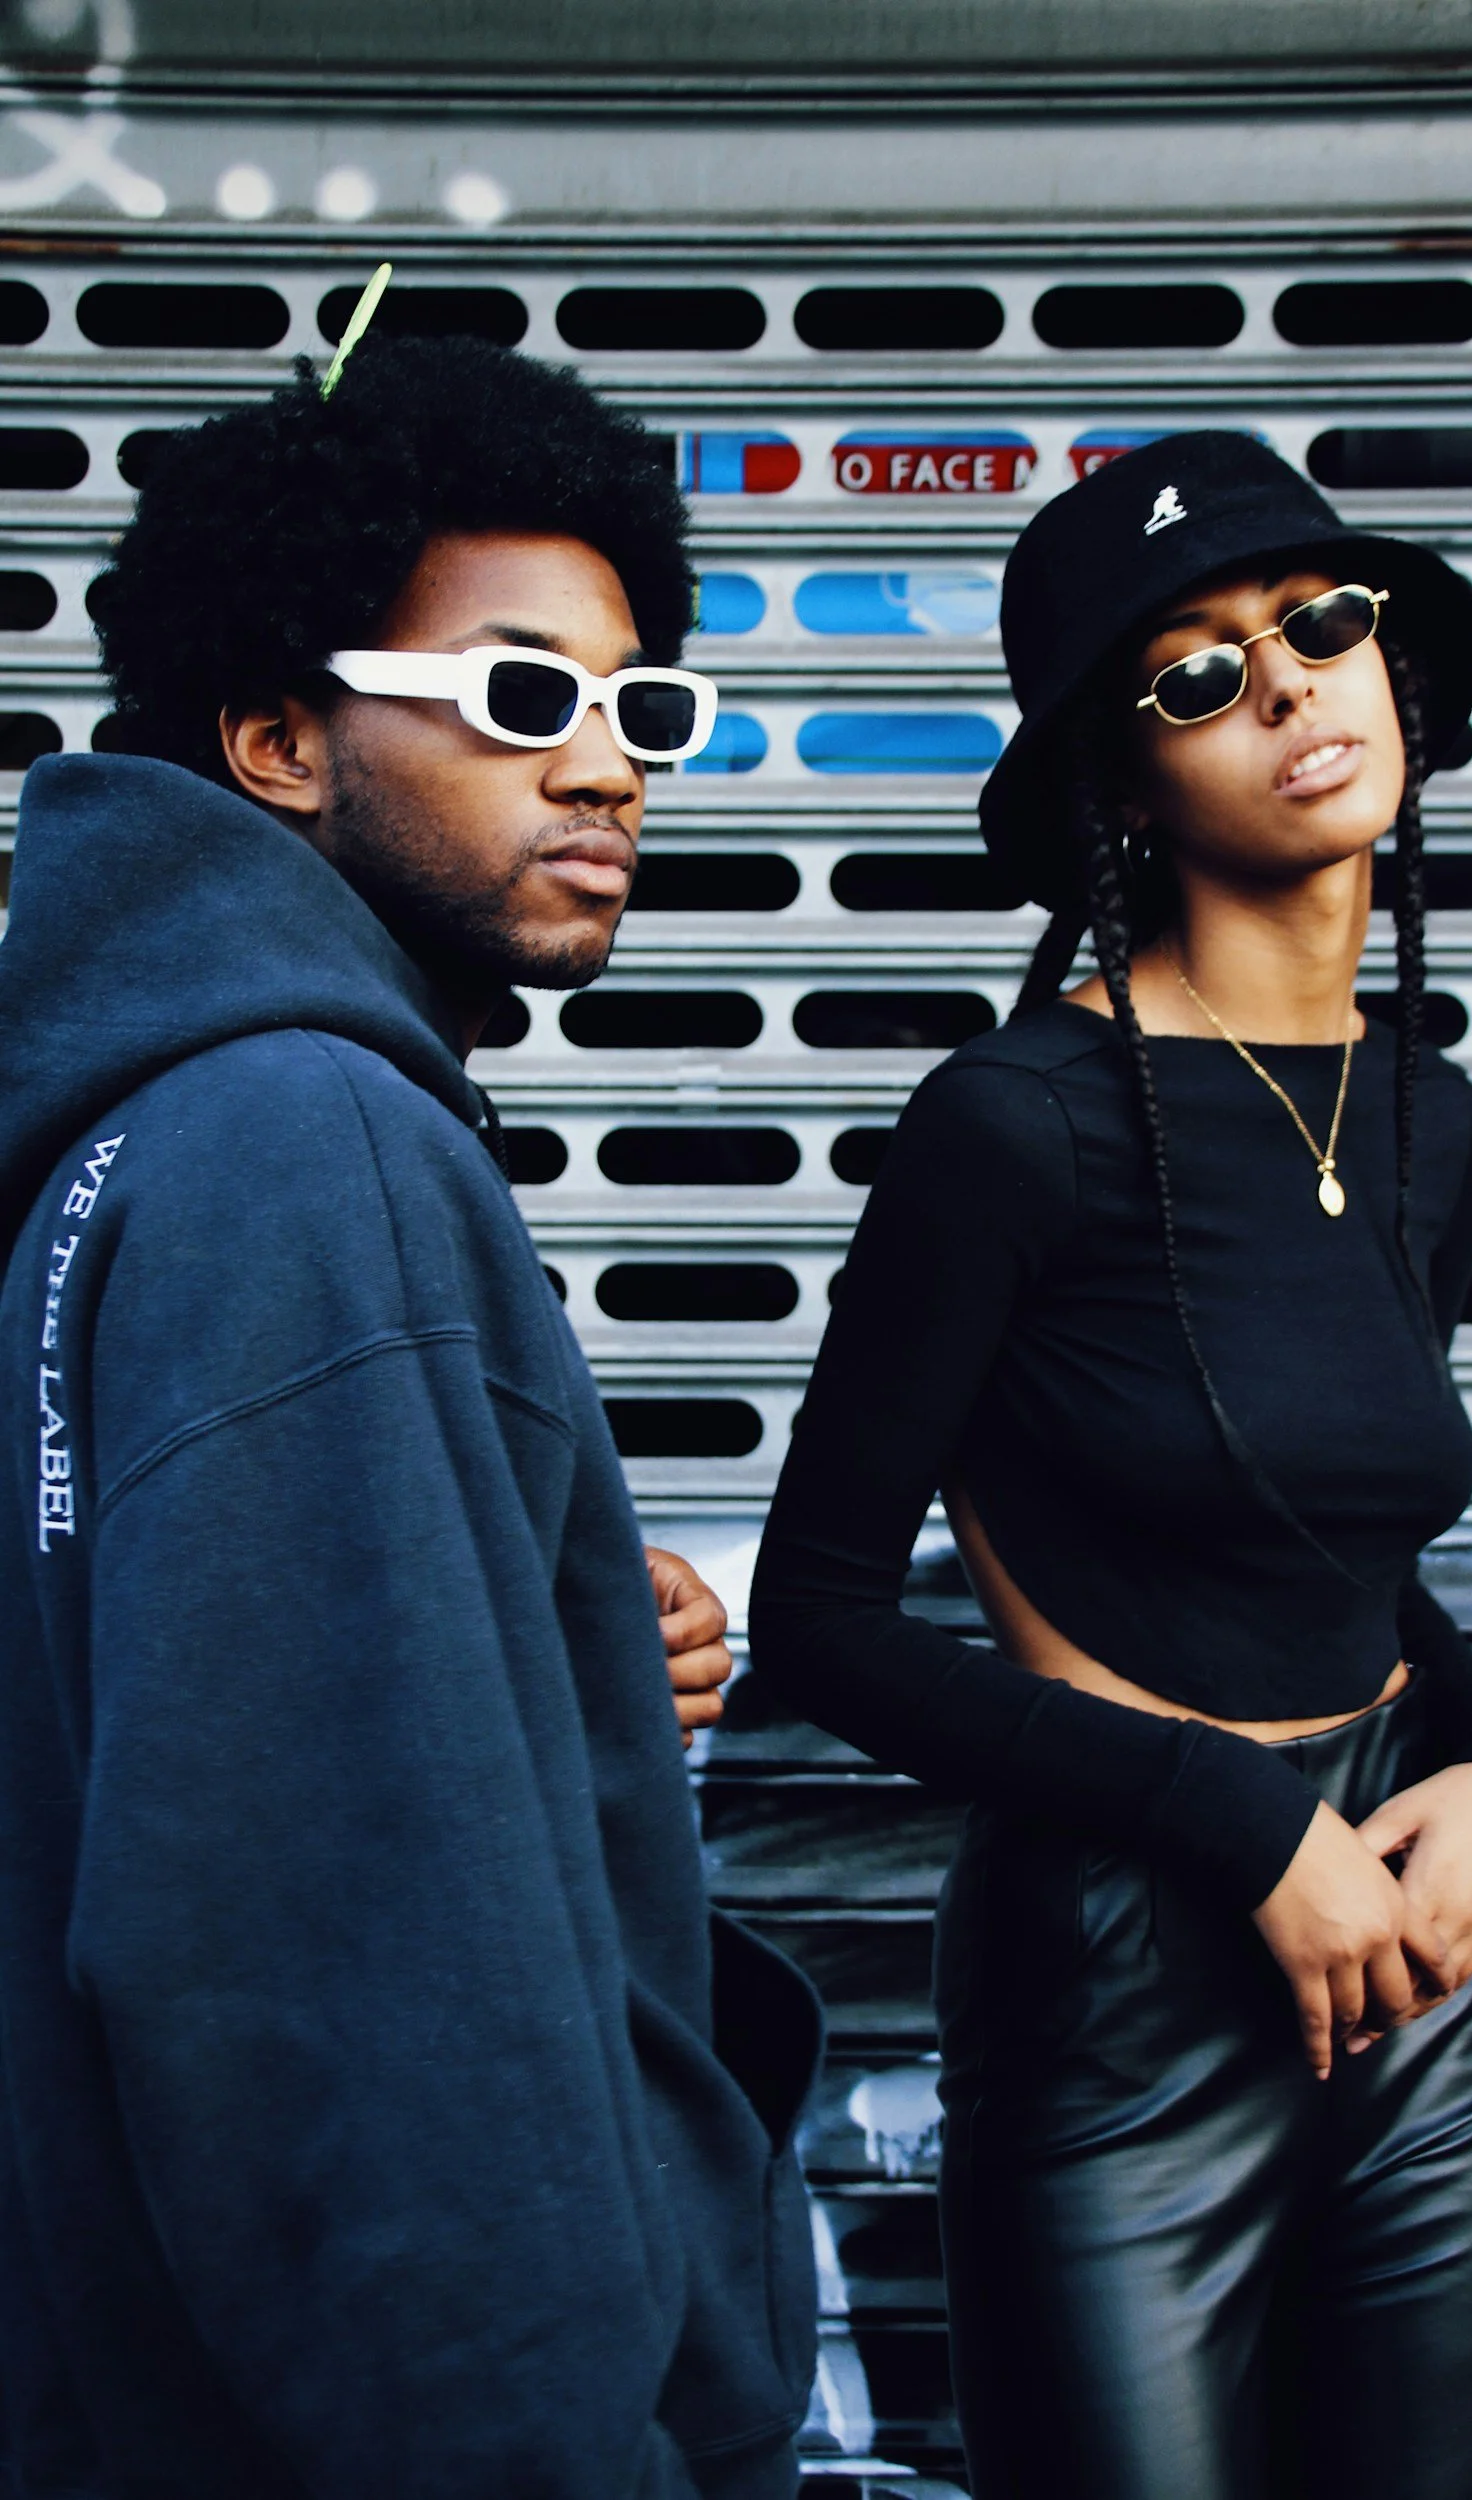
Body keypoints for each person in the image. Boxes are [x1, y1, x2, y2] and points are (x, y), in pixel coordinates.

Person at [0, 334, 820, 2499]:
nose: (608, 764)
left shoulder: (140, 1141)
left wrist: (530, 1636)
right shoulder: (307, 1146)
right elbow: (339, 2002)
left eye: (641, 704)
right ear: (275, 738)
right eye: (521, 693)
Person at [749, 431, 1472, 2500]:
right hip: (1122, 1972)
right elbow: (822, 1618)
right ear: (1121, 785)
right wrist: (1231, 1816)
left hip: (1413, 1953)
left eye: (1316, 625)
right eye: (1195, 673)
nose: (1290, 685)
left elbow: (1345, 1551)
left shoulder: (1424, 1114)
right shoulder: (1010, 1125)